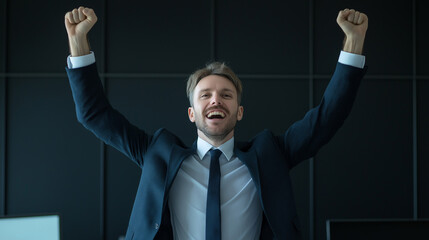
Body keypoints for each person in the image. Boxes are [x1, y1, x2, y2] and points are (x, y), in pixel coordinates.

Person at [64, 6, 368, 240]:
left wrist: (353, 43)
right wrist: (78, 43)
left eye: (226, 95)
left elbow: (327, 118)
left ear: (239, 112)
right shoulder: (157, 152)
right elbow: (95, 115)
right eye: (205, 95)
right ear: (192, 113)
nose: (215, 100)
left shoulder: (270, 154)